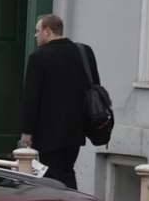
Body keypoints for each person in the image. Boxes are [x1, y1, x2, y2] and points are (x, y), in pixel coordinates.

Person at [19, 12, 95, 190]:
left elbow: (31, 98)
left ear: (47, 31)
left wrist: (26, 132)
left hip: (48, 133)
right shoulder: (84, 52)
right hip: (76, 129)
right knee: (66, 170)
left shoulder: (38, 57)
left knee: (53, 177)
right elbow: (94, 86)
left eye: (37, 31)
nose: (35, 35)